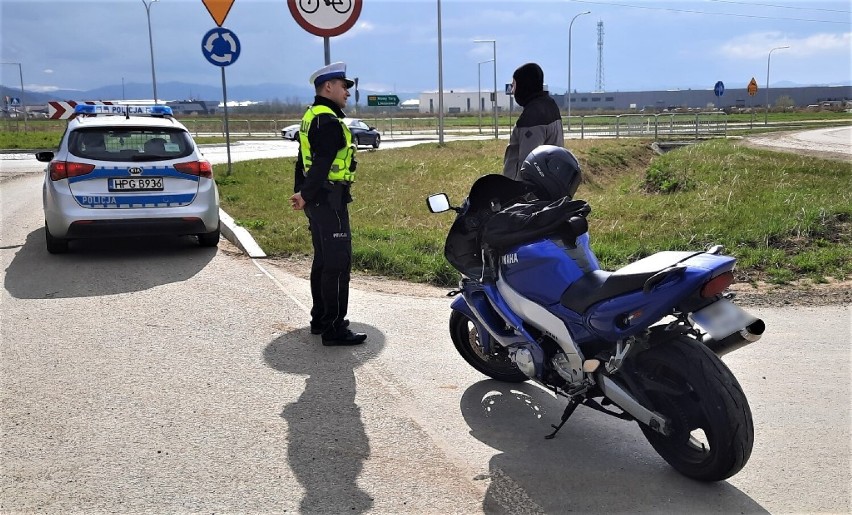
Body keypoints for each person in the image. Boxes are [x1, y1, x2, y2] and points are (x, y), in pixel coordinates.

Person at [289, 62, 367, 347]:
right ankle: (334, 329)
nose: (347, 92)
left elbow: (303, 160)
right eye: (344, 86)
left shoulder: (312, 116)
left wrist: (302, 193)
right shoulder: (329, 122)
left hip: (319, 200)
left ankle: (321, 319)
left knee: (323, 261)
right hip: (329, 200)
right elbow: (320, 164)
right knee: (337, 264)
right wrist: (306, 194)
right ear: (328, 87)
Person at [502, 63, 564, 180]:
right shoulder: (550, 105)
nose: (513, 91)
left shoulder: (532, 117)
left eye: (514, 85)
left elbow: (528, 164)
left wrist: (518, 194)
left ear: (524, 85)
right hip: (551, 181)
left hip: (527, 193)